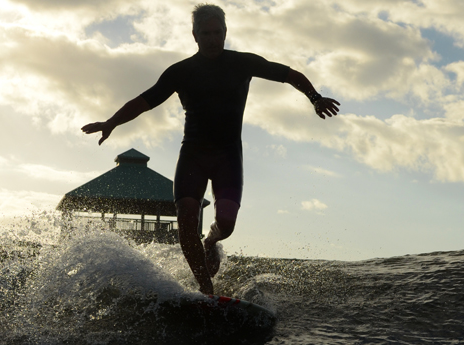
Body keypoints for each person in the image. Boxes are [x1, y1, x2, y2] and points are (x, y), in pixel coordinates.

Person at [82, 3, 339, 295]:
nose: (213, 39)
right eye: (206, 33)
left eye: (218, 32)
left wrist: (315, 98)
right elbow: (145, 100)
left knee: (226, 224)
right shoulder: (181, 72)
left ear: (226, 32)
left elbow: (289, 74)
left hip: (228, 156)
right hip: (193, 154)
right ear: (195, 36)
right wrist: (112, 122)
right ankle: (206, 288)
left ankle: (211, 242)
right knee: (187, 216)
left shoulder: (242, 63)